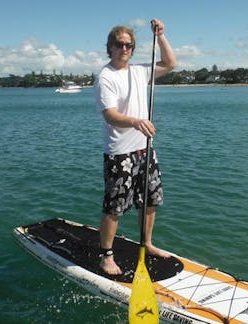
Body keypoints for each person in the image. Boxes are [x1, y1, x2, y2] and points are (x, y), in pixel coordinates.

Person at [94, 19, 177, 275]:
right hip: (120, 153)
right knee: (114, 208)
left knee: (150, 202)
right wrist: (136, 121)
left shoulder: (140, 71)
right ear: (110, 47)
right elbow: (110, 115)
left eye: (129, 45)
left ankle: (147, 243)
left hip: (145, 149)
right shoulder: (105, 77)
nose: (124, 49)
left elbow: (171, 64)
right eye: (119, 44)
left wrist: (161, 36)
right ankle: (106, 256)